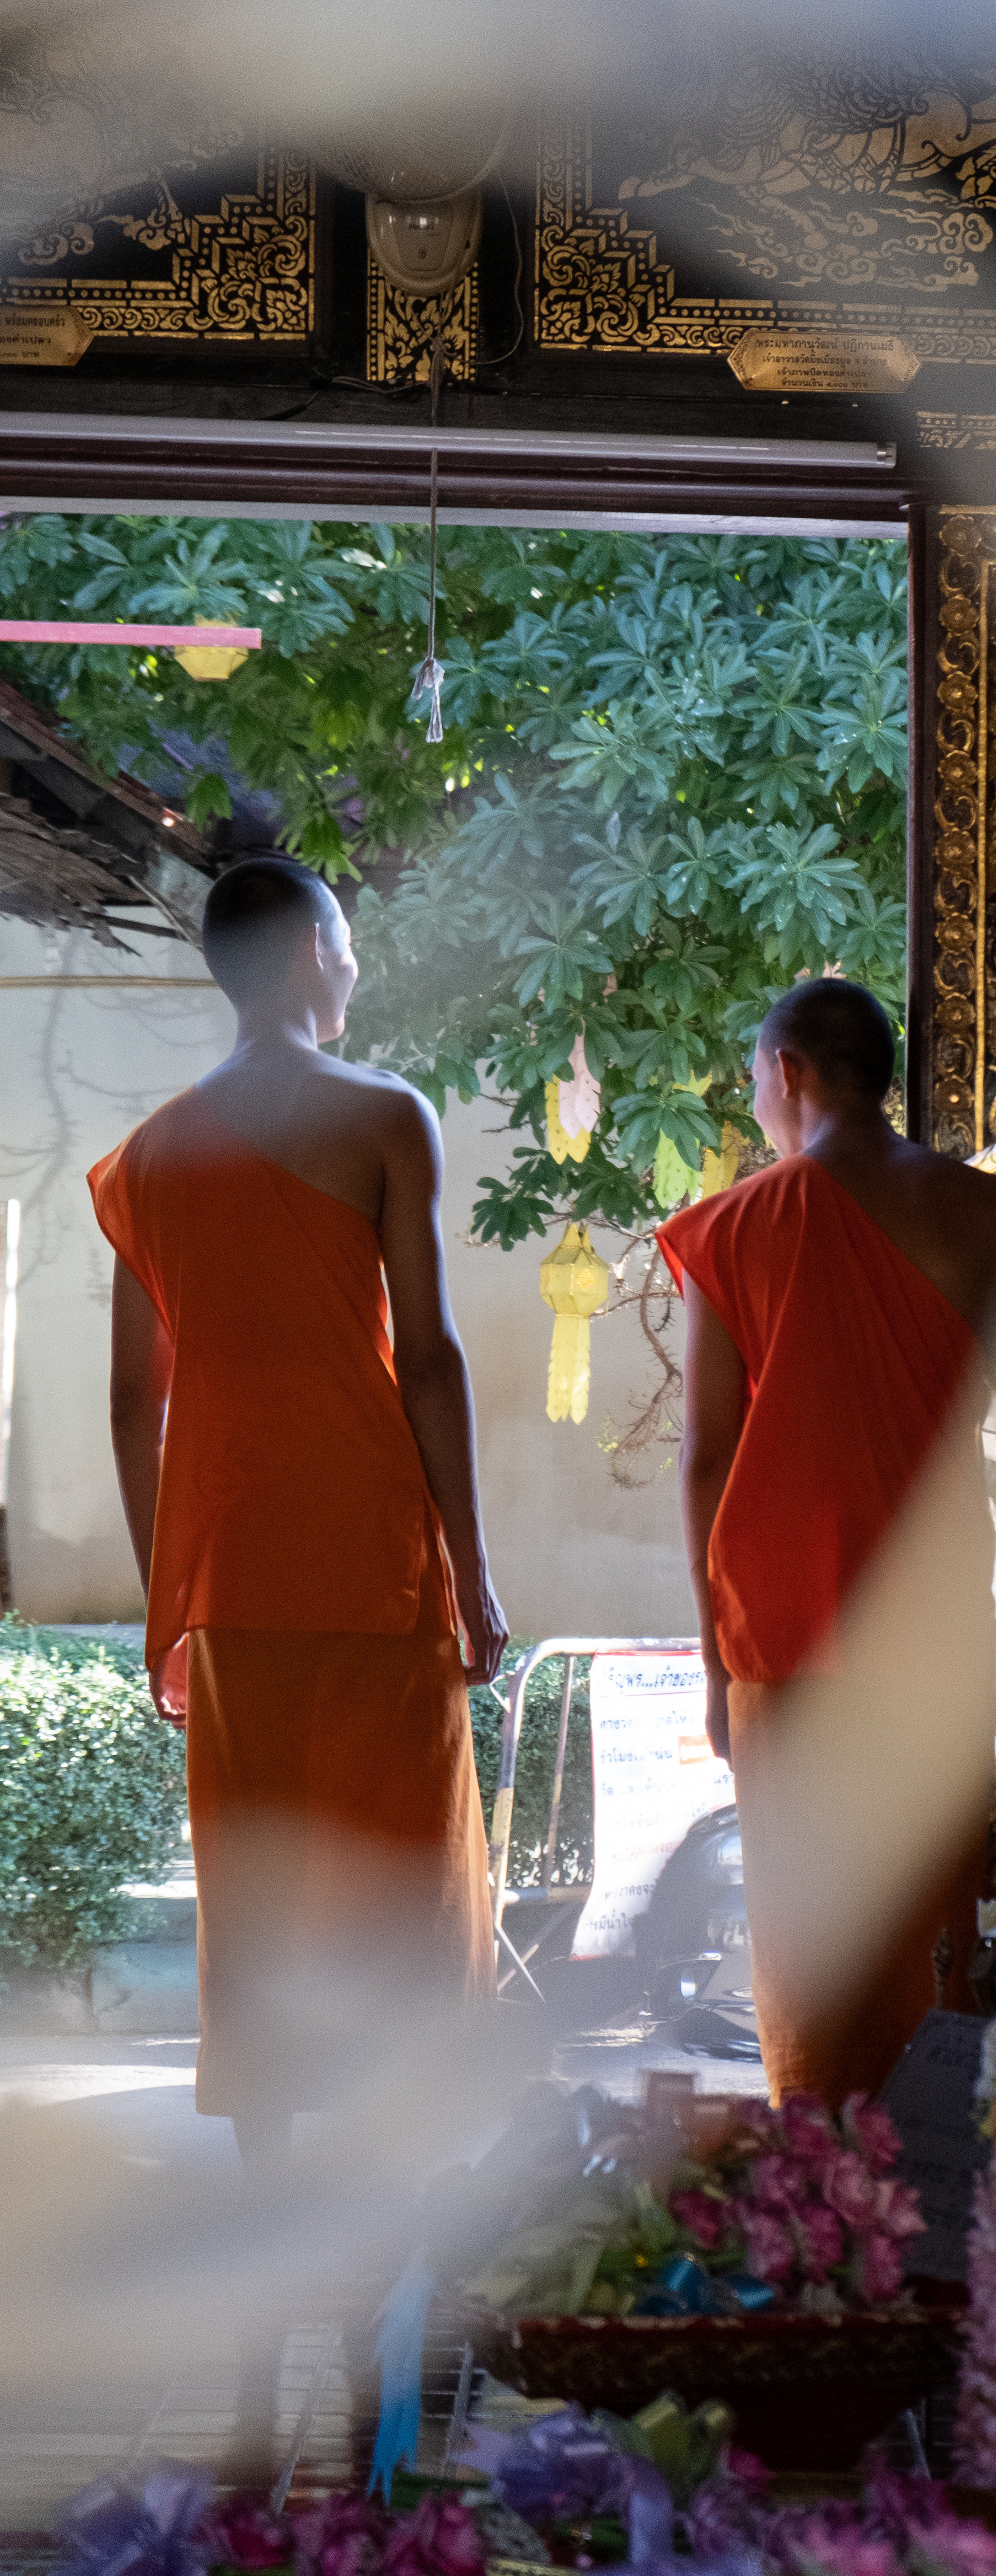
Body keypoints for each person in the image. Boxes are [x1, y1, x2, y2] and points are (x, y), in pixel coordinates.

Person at [88, 856, 506, 2178]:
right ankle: (409, 2166)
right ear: (318, 951)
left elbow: (128, 1411)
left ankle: (269, 2177)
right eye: (351, 941)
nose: (361, 964)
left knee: (257, 1872)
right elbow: (429, 1357)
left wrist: (174, 1592)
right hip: (373, 1544)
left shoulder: (145, 1159)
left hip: (231, 1562)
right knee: (404, 1861)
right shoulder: (386, 1115)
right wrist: (475, 1564)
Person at [657, 977, 996, 2106]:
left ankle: (823, 2193)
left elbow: (707, 1459)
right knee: (924, 1928)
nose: (760, 1098)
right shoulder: (994, 1214)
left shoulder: (733, 1230)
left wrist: (715, 1667)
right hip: (934, 1621)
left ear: (790, 1073)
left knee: (810, 1945)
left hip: (782, 1621)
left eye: (758, 1077)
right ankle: (933, 2192)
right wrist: (975, 1335)